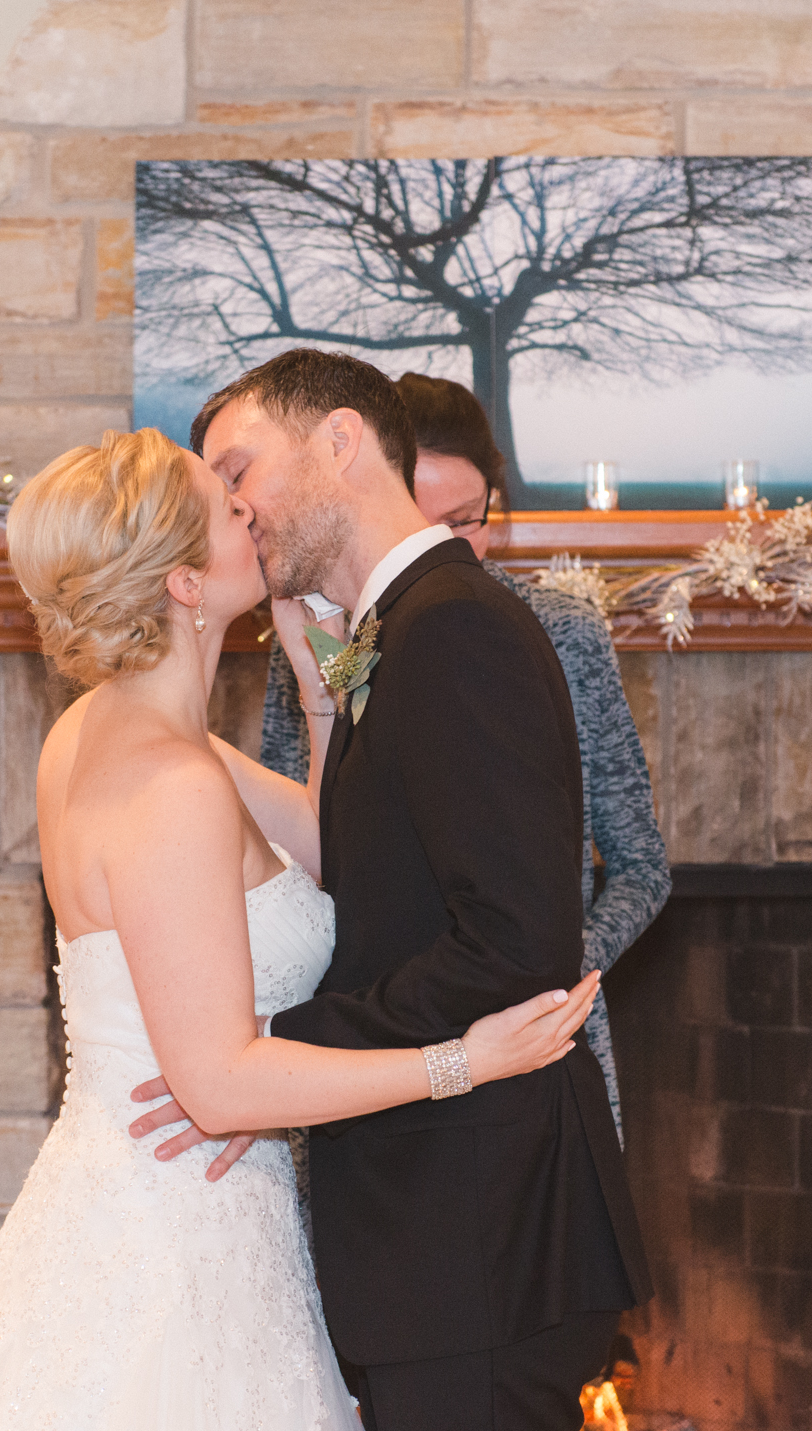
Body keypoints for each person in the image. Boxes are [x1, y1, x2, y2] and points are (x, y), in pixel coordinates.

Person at [0, 427, 598, 1431]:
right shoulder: (161, 785)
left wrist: (322, 699)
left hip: (182, 1212)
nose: (247, 515)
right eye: (221, 508)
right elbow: (218, 1087)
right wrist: (458, 1060)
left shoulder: (128, 738)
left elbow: (330, 855)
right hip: (174, 1239)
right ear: (178, 577)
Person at [133, 350, 654, 1431]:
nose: (236, 505)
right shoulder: (397, 637)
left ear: (344, 445)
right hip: (444, 1232)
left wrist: (269, 1061)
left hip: (479, 1239)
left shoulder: (456, 632)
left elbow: (509, 949)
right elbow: (383, 885)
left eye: (244, 469)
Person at [262, 372, 672, 1147]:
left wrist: (545, 971)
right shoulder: (320, 643)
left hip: (535, 1043)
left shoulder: (558, 628)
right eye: (423, 519)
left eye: (468, 520)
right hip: (374, 1056)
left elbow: (640, 864)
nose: (447, 546)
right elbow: (300, 855)